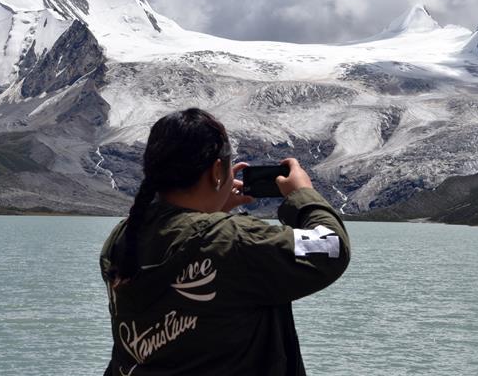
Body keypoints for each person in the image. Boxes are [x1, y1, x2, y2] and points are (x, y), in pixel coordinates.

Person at [100, 108, 350, 376]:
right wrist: (302, 194)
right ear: (216, 171)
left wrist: (211, 212)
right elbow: (331, 245)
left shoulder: (123, 236)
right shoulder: (233, 240)